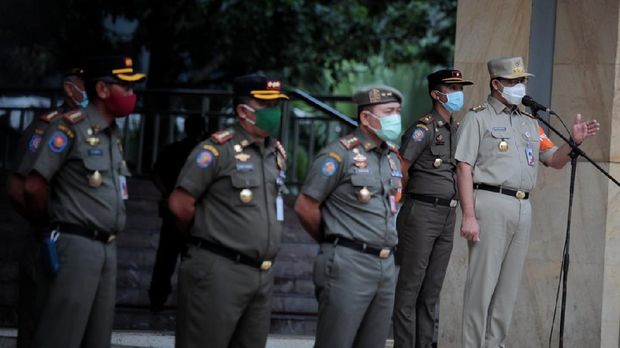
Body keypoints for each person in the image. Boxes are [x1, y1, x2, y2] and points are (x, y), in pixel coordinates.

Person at [455, 56, 600, 347]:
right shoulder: (478, 117)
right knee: (482, 286)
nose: (520, 86)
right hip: (490, 202)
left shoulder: (530, 122)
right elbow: (463, 167)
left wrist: (573, 143)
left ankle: (494, 343)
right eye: (513, 81)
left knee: (507, 288)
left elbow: (553, 160)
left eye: (522, 81)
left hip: (523, 206)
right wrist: (468, 215)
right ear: (496, 84)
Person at [23, 55, 145, 348]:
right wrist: (50, 224)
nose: (131, 95)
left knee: (97, 339)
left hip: (107, 247)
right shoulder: (69, 128)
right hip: (75, 244)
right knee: (60, 337)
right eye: (124, 87)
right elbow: (32, 186)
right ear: (102, 89)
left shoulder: (112, 135)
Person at [169, 73, 289, 348]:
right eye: (265, 105)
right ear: (243, 111)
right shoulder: (217, 150)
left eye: (276, 105)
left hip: (261, 274)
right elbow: (180, 204)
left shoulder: (276, 153)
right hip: (219, 269)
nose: (273, 113)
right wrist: (207, 241)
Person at [295, 85, 404, 348]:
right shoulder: (338, 155)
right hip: (348, 263)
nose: (396, 118)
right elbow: (305, 205)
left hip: (385, 265)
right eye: (388, 112)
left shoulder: (391, 158)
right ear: (366, 118)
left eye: (398, 112)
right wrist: (334, 240)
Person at [6, 66, 87, 348]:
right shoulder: (48, 126)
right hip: (49, 242)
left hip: (84, 251)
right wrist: (44, 225)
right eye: (87, 84)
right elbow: (18, 188)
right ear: (70, 89)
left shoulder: (95, 130)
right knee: (38, 325)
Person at [393, 69, 473, 348]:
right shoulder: (423, 129)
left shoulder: (456, 129)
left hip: (447, 215)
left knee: (432, 290)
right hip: (421, 213)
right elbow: (401, 169)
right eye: (451, 89)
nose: (457, 94)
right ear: (436, 94)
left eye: (459, 88)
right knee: (409, 288)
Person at [148, 116, 206, 312]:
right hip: (178, 214)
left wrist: (168, 194)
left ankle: (160, 299)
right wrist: (169, 195)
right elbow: (156, 174)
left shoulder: (206, 153)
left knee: (170, 261)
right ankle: (161, 299)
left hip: (190, 215)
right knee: (168, 261)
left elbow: (156, 175)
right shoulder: (188, 151)